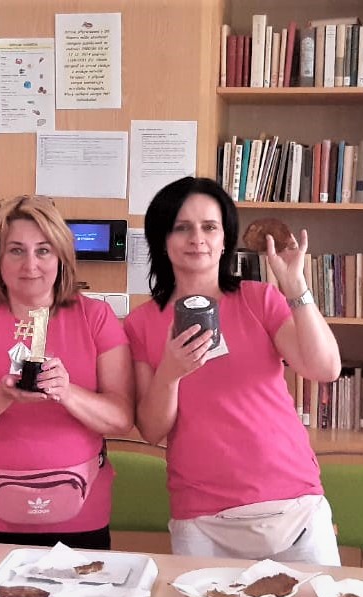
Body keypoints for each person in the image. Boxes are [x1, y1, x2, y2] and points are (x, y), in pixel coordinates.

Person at [124, 176, 342, 564]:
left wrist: (295, 288)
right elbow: (153, 430)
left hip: (293, 505)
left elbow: (325, 368)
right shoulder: (141, 322)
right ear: (162, 239)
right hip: (202, 515)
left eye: (209, 227)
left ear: (225, 238)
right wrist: (170, 373)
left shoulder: (260, 299)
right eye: (182, 227)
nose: (197, 239)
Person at [0, 195, 133, 549]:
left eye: (43, 250)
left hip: (80, 513)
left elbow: (120, 419)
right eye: (16, 251)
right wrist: (1, 395)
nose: (30, 264)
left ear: (61, 257)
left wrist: (67, 392)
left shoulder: (96, 318)